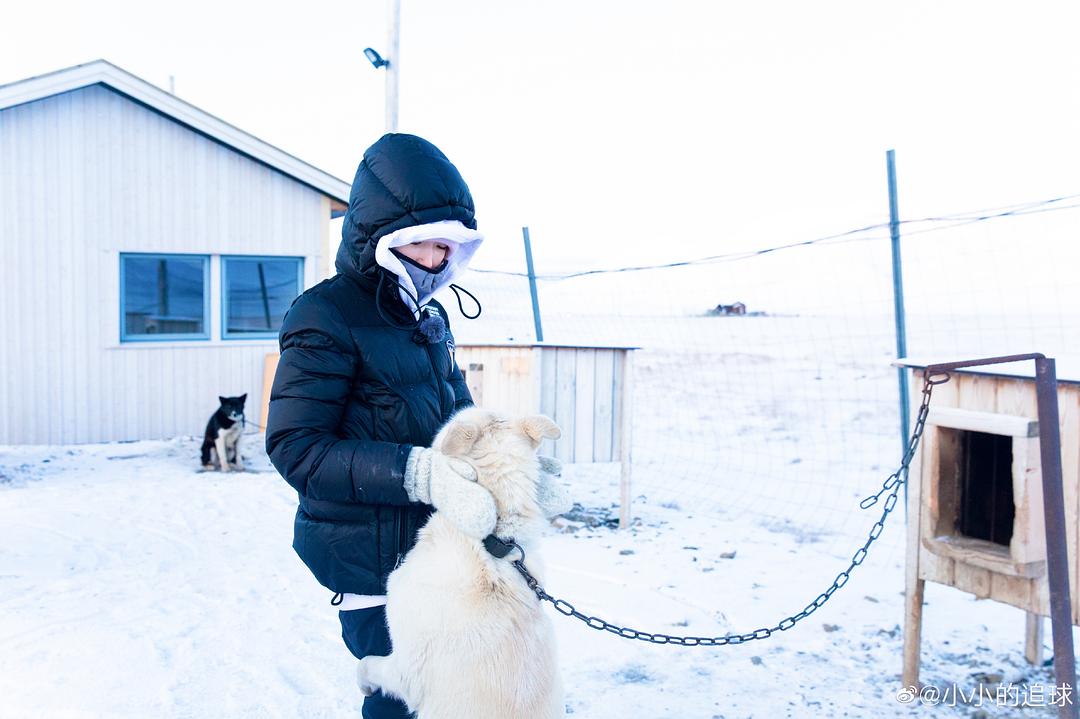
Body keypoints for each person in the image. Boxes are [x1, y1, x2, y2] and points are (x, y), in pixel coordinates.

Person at [265, 133, 567, 718]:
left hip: (445, 557)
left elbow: (463, 422)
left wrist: (514, 462)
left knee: (460, 698)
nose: (438, 262)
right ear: (383, 238)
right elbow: (297, 447)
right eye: (425, 245)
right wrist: (417, 472)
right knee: (399, 702)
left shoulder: (428, 314)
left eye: (449, 248)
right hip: (371, 557)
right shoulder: (325, 314)